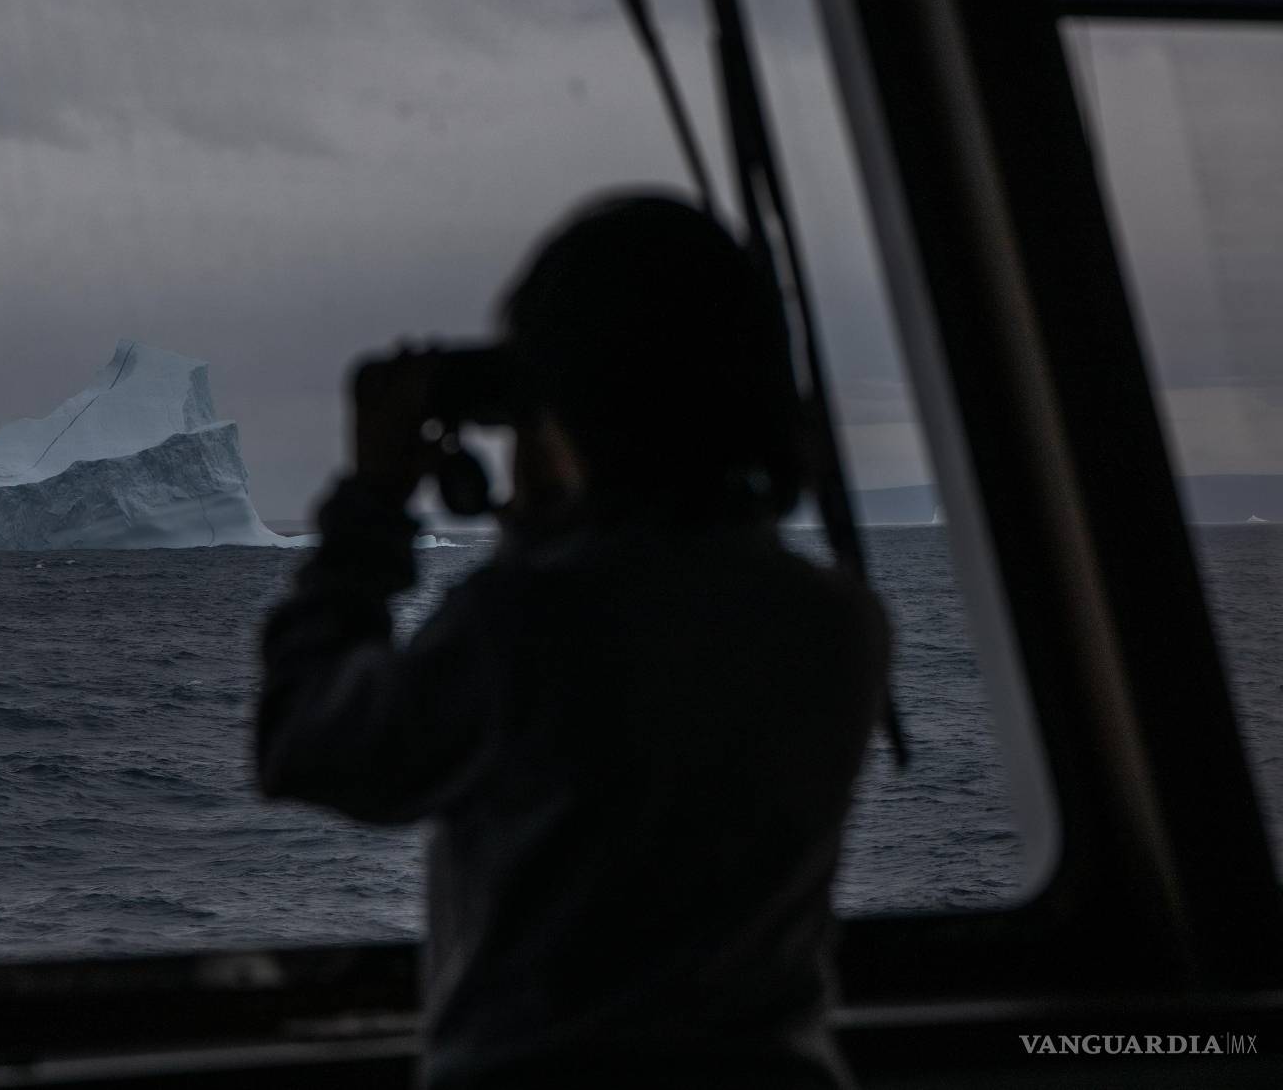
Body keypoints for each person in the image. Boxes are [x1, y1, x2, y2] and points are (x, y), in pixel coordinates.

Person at [255, 191, 891, 1088]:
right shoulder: (835, 622)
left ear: (572, 398)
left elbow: (304, 741)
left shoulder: (522, 627)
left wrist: (373, 507)